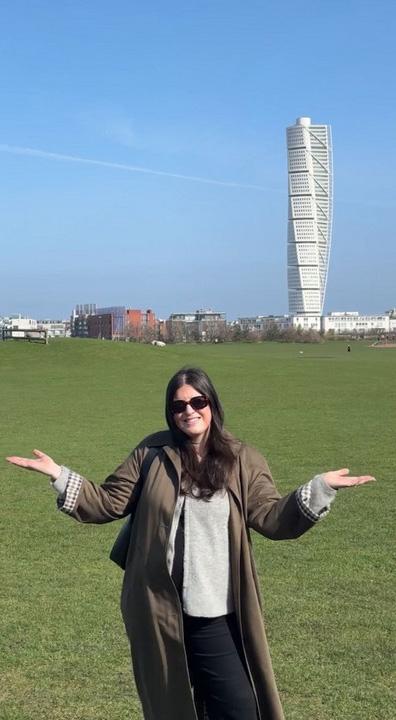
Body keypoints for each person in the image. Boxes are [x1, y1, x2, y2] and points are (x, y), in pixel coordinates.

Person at [6, 367, 375, 720]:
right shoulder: (152, 453)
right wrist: (58, 474)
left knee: (238, 708)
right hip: (161, 612)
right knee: (174, 709)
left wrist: (320, 489)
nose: (189, 411)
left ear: (212, 404)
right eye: (179, 405)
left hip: (217, 612)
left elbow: (271, 517)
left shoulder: (241, 458)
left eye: (198, 402)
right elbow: (108, 502)